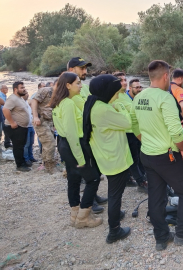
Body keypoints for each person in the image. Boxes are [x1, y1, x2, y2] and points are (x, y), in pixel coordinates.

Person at [131, 60, 183, 251]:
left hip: (147, 155)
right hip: (168, 156)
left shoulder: (138, 97)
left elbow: (134, 125)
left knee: (156, 196)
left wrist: (146, 140)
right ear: (166, 76)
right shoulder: (165, 98)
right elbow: (176, 130)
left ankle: (161, 238)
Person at [83, 74, 132, 244]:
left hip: (106, 156)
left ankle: (116, 214)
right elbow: (127, 124)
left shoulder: (95, 103)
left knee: (114, 192)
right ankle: (114, 230)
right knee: (115, 194)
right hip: (114, 158)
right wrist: (121, 107)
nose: (118, 95)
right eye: (116, 92)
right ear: (108, 91)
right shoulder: (105, 109)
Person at [50, 72, 102, 229]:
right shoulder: (68, 104)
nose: (81, 86)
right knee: (93, 179)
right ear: (68, 85)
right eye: (78, 83)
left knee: (73, 179)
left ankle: (75, 215)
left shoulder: (60, 102)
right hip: (73, 145)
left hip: (65, 144)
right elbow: (72, 133)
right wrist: (80, 158)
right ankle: (83, 217)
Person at [67, 57, 107, 212]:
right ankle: (84, 205)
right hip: (76, 137)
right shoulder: (68, 89)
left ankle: (92, 197)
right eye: (81, 68)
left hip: (86, 135)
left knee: (92, 169)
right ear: (71, 70)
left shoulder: (82, 86)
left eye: (86, 68)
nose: (85, 71)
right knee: (79, 174)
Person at [112, 77, 147, 189]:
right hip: (127, 131)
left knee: (136, 156)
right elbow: (130, 110)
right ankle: (141, 182)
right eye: (121, 80)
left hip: (134, 130)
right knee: (133, 158)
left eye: (125, 80)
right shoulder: (116, 96)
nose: (124, 82)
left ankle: (132, 177)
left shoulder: (125, 95)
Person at [2, 82, 30, 171]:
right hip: (15, 127)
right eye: (22, 87)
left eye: (24, 87)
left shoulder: (19, 98)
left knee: (21, 145)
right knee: (18, 146)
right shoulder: (12, 98)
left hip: (22, 127)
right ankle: (20, 165)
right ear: (15, 89)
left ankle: (23, 162)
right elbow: (5, 109)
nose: (24, 89)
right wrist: (12, 122)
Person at [31, 83, 57, 173]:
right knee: (50, 143)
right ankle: (50, 167)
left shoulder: (58, 94)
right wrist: (35, 116)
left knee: (47, 144)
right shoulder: (45, 90)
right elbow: (34, 101)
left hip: (49, 121)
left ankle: (46, 165)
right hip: (41, 120)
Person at [22, 93, 36, 165]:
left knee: (31, 142)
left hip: (31, 125)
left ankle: (31, 157)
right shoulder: (21, 103)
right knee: (26, 144)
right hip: (26, 126)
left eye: (27, 93)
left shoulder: (27, 103)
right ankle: (26, 158)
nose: (27, 94)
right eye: (26, 93)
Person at [1, 84, 12, 149]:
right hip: (3, 115)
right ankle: (7, 143)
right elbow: (3, 106)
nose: (7, 89)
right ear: (2, 89)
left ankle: (7, 142)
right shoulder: (1, 95)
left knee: (6, 128)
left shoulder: (4, 95)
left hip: (4, 114)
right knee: (6, 128)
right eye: (6, 88)